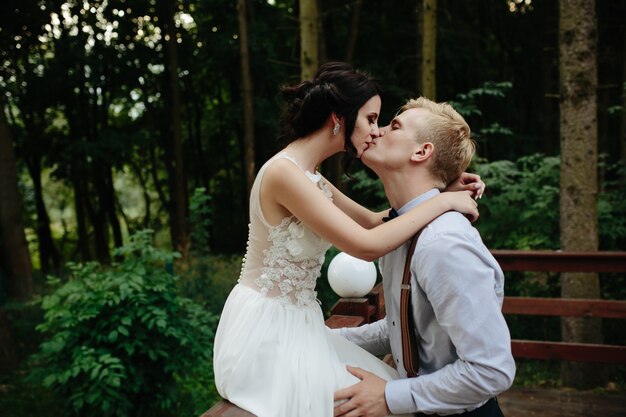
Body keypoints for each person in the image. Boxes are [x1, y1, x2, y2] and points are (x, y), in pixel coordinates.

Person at [212, 63, 484, 417]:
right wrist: (445, 202)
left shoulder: (313, 179)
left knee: (384, 389)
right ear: (339, 117)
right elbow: (364, 244)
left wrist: (442, 185)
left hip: (300, 325)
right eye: (371, 119)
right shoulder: (283, 173)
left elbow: (375, 221)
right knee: (365, 401)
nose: (375, 131)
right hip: (265, 330)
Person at [333, 97, 516, 417]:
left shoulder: (444, 243)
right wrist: (320, 338)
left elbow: (491, 370)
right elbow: (401, 326)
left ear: (422, 151)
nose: (377, 131)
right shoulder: (400, 229)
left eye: (395, 126)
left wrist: (390, 397)